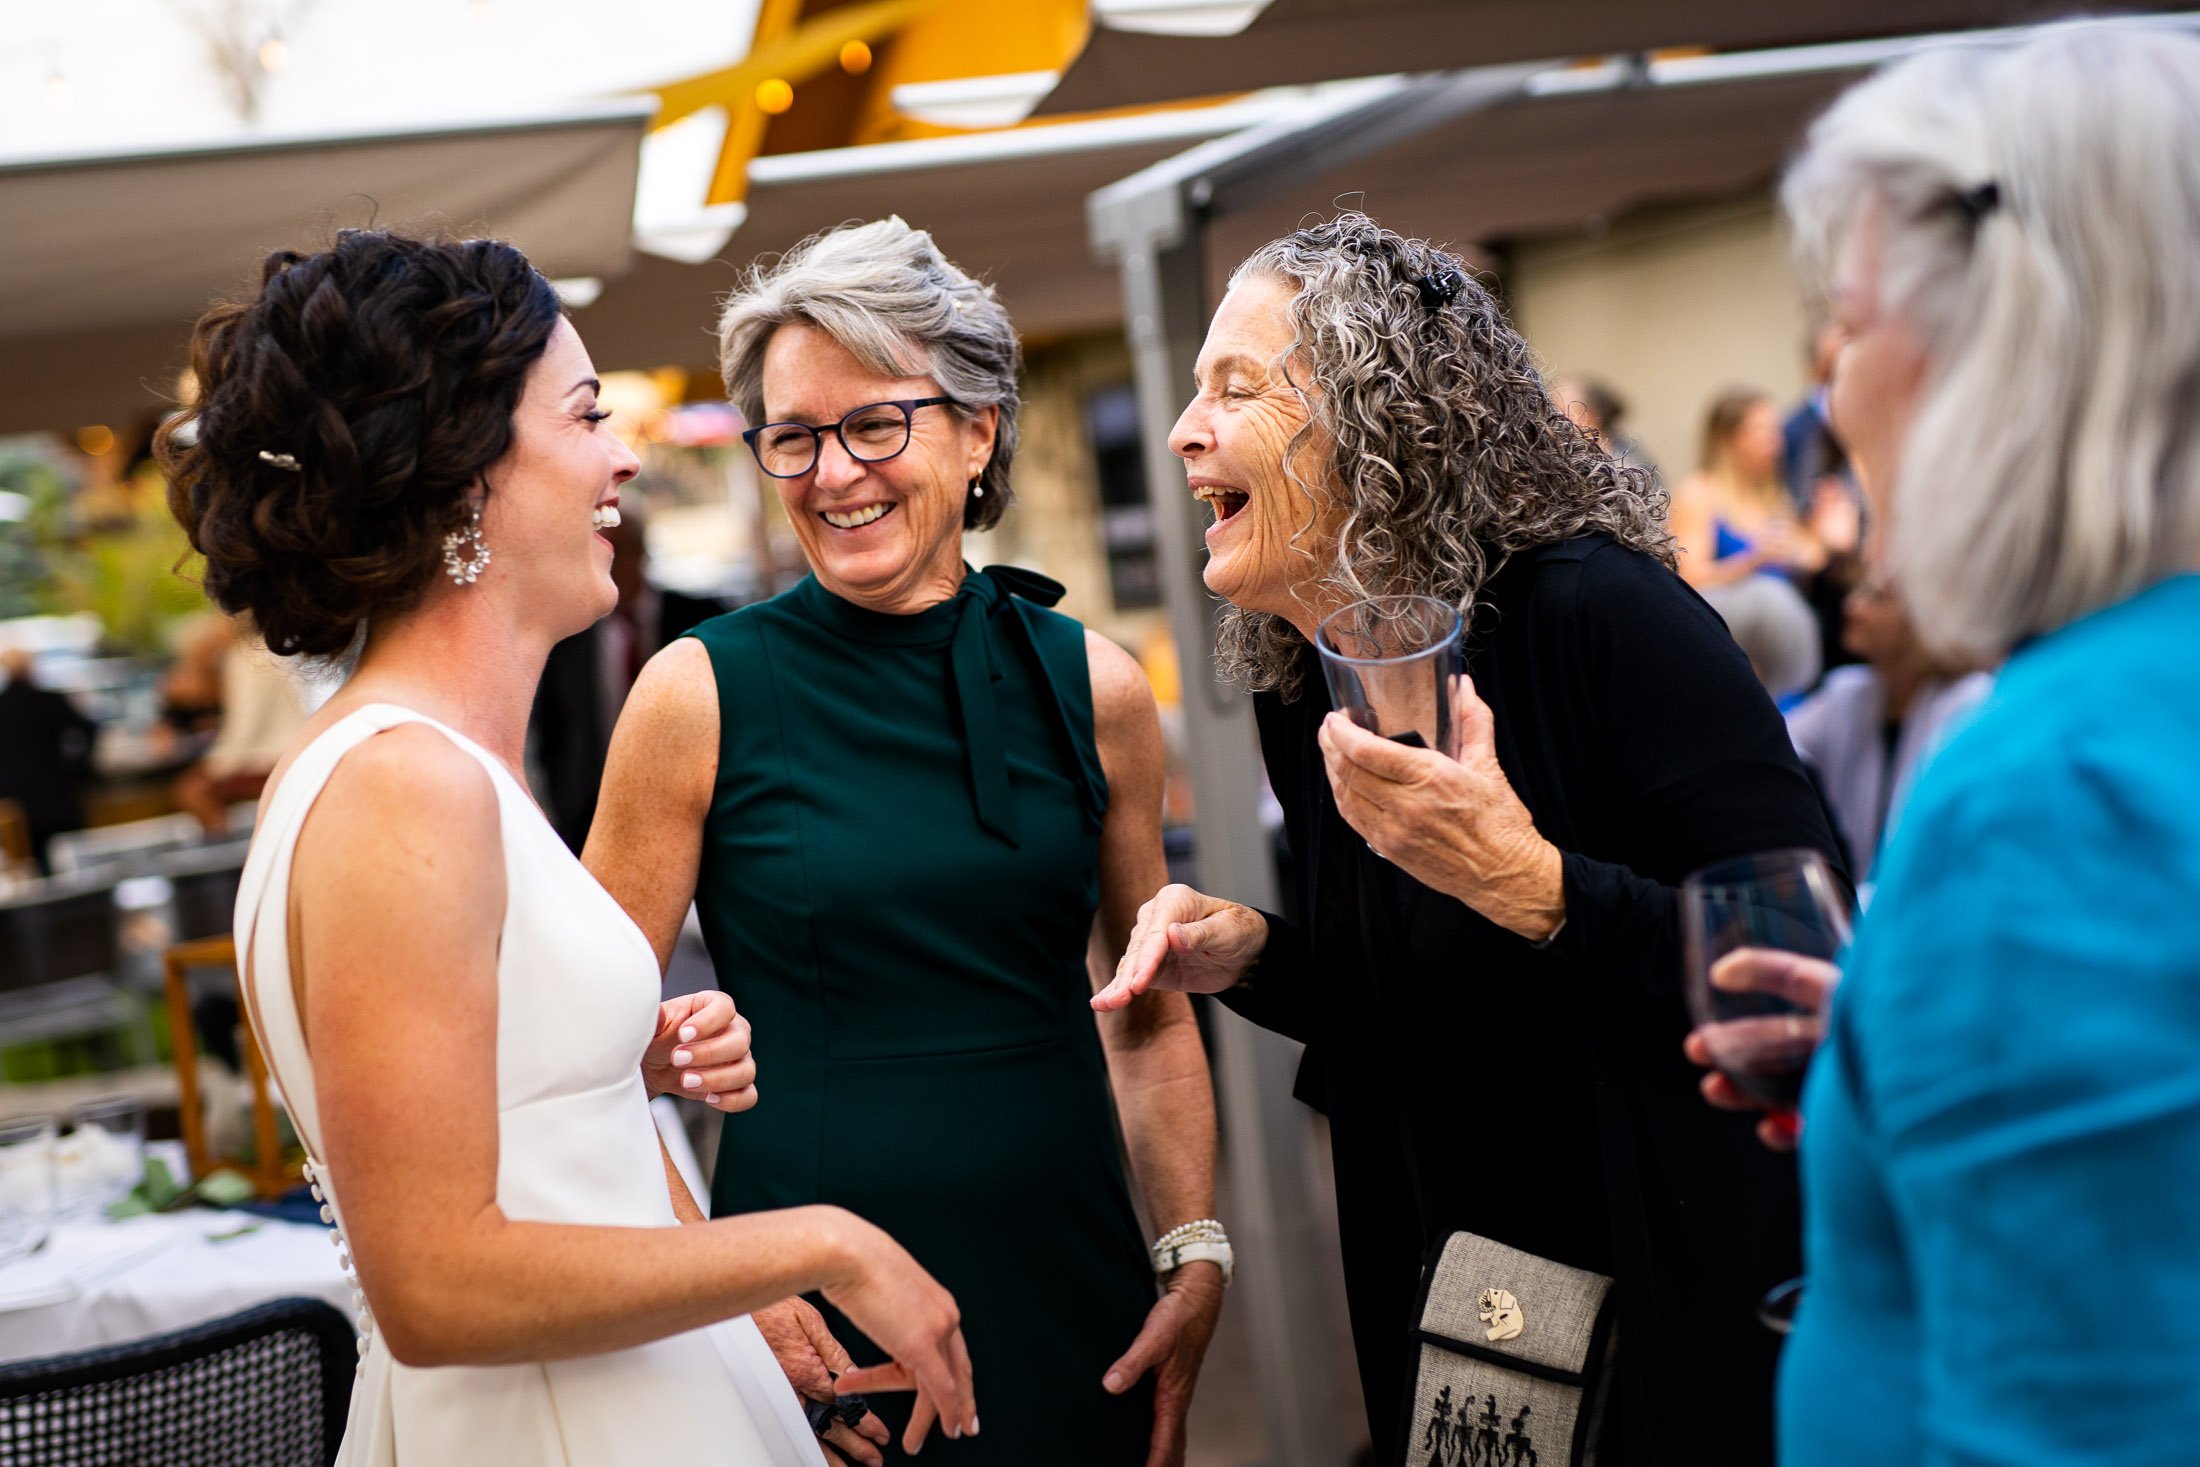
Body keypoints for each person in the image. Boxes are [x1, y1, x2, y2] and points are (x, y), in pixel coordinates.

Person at [161, 229, 974, 1466]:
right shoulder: (402, 786)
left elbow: (482, 1112)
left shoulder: (433, 766)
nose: (625, 457)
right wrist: (822, 1243)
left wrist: (612, 1059)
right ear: (465, 467)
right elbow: (433, 1285)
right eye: (588, 415)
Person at [1091, 211, 1846, 1463]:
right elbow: (1431, 1005)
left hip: (1667, 1319)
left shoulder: (1605, 618)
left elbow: (1803, 969)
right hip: (1469, 1334)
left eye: (1235, 386)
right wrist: (1255, 955)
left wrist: (1531, 883)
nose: (1182, 430)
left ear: (1380, 426)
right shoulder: (1309, 683)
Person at [584, 217, 1222, 1467]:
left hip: (1077, 1285)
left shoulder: (1093, 685)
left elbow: (1144, 1010)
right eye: (794, 437)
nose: (833, 474)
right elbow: (581, 1057)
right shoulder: (695, 693)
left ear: (978, 428)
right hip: (821, 1321)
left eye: (876, 424)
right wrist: (725, 1289)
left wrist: (1193, 1253)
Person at [1689, 21, 2200, 1462]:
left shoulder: (2056, 796)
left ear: (2008, 354)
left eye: (1847, 324)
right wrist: (1903, 1046)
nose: (1831, 393)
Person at [1783, 573, 1989, 881]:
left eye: (1876, 598)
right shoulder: (1848, 694)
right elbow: (1775, 749)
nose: (1853, 606)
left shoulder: (1968, 702)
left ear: (1924, 616)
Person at [1668, 390, 1826, 698]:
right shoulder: (1700, 492)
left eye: (1776, 432)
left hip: (1780, 652)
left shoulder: (1774, 497)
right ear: (1728, 440)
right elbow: (1686, 578)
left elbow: (1812, 556)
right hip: (1733, 641)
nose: (1777, 444)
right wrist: (1753, 561)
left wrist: (1816, 545)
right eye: (1762, 433)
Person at [169, 610, 312, 835]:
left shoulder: (244, 659)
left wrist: (215, 766)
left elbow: (245, 726)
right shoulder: (268, 651)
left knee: (193, 790)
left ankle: (222, 847)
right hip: (286, 751)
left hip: (270, 759)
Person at [0, 646, 98, 872]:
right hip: (57, 795)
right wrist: (78, 767)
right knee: (74, 864)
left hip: (16, 803)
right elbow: (89, 729)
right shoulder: (50, 700)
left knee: (30, 867)